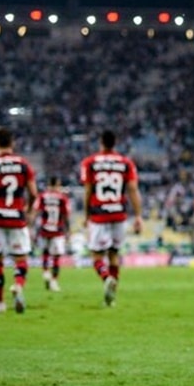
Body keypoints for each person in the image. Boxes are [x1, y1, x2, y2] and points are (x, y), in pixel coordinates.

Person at [0, 127, 38, 313]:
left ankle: (0, 303)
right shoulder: (24, 164)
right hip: (17, 217)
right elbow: (34, 193)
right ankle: (18, 284)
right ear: (13, 143)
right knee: (21, 259)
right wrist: (28, 209)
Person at [80, 130, 143, 307]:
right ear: (115, 143)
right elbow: (132, 190)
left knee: (97, 256)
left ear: (101, 142)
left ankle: (106, 277)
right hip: (119, 214)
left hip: (99, 214)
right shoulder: (126, 163)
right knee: (114, 255)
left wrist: (86, 215)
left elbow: (88, 191)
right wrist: (138, 216)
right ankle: (112, 298)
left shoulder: (90, 162)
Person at [35, 176, 71, 292]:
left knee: (45, 252)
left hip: (44, 228)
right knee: (56, 256)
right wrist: (68, 230)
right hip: (57, 229)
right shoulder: (62, 198)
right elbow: (66, 215)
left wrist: (34, 228)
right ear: (57, 185)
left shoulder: (42, 196)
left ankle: (45, 271)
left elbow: (36, 211)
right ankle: (54, 281)